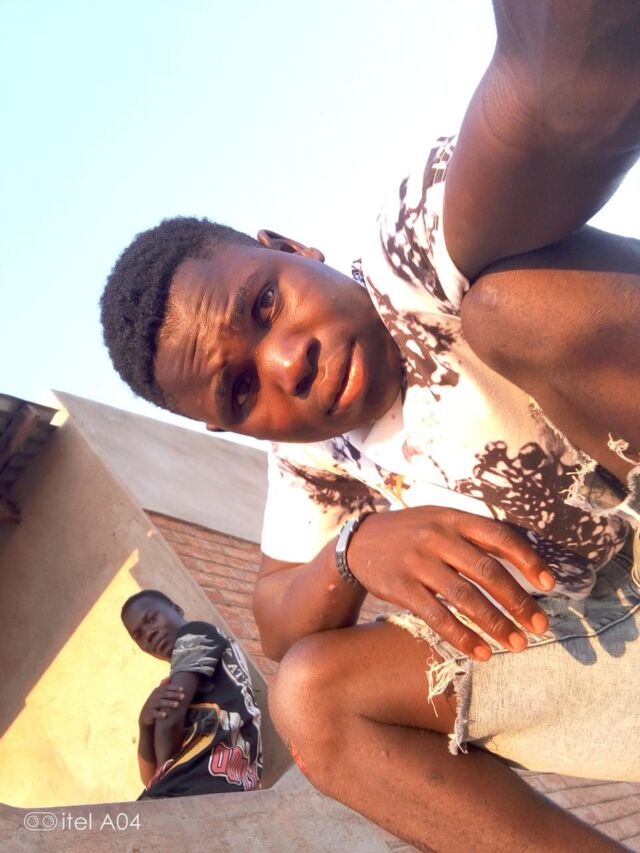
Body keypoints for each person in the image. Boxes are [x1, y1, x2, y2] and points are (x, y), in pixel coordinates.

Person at [101, 2, 640, 849]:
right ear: (225, 427)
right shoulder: (316, 457)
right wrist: (356, 546)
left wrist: (563, 70)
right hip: (607, 629)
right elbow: (276, 616)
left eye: (265, 304)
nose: (288, 363)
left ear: (293, 248)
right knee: (311, 695)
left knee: (510, 308)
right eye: (240, 389)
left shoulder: (412, 260)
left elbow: (547, 110)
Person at [121, 589, 262, 799]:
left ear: (177, 609)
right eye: (138, 635)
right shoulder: (173, 686)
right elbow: (149, 778)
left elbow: (169, 722)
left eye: (151, 619)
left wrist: (165, 778)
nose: (149, 633)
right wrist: (145, 724)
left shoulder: (197, 633)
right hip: (213, 789)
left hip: (194, 787)